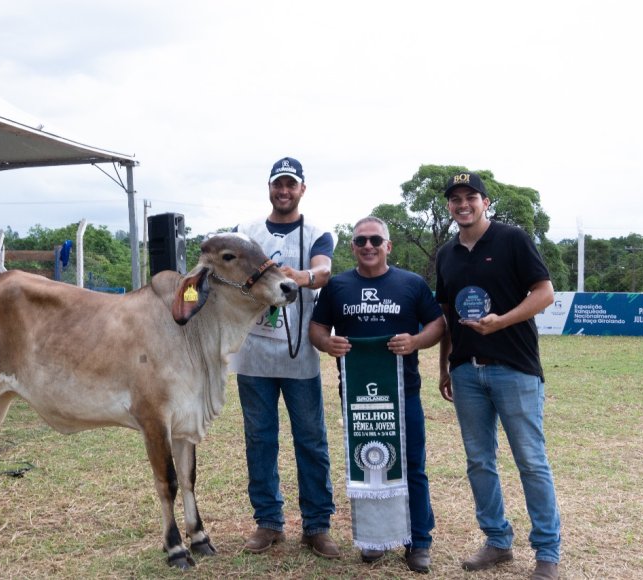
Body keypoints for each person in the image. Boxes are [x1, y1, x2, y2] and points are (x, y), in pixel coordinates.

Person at [436, 172, 561, 580]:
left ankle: (547, 551)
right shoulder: (447, 253)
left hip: (515, 368)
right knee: (479, 462)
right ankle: (497, 540)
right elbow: (447, 315)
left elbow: (544, 293)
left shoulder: (512, 239)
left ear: (486, 202)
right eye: (455, 199)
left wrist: (501, 321)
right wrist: (444, 366)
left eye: (470, 196)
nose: (462, 204)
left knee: (531, 461)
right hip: (467, 373)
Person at [310, 216, 445, 573]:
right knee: (366, 463)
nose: (367, 246)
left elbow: (437, 323)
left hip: (404, 393)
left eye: (374, 240)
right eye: (360, 241)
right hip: (357, 397)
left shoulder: (411, 284)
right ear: (352, 247)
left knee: (412, 465)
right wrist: (327, 343)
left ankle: (419, 541)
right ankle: (374, 538)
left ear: (388, 246)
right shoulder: (337, 286)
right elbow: (317, 328)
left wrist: (416, 341)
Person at [232, 156, 340, 559]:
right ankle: (268, 522)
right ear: (269, 188)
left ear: (302, 190)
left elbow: (324, 271)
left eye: (291, 184)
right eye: (278, 184)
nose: (284, 190)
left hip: (299, 358)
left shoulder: (316, 232)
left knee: (311, 441)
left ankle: (317, 525)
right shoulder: (247, 232)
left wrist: (299, 277)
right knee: (259, 440)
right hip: (253, 355)